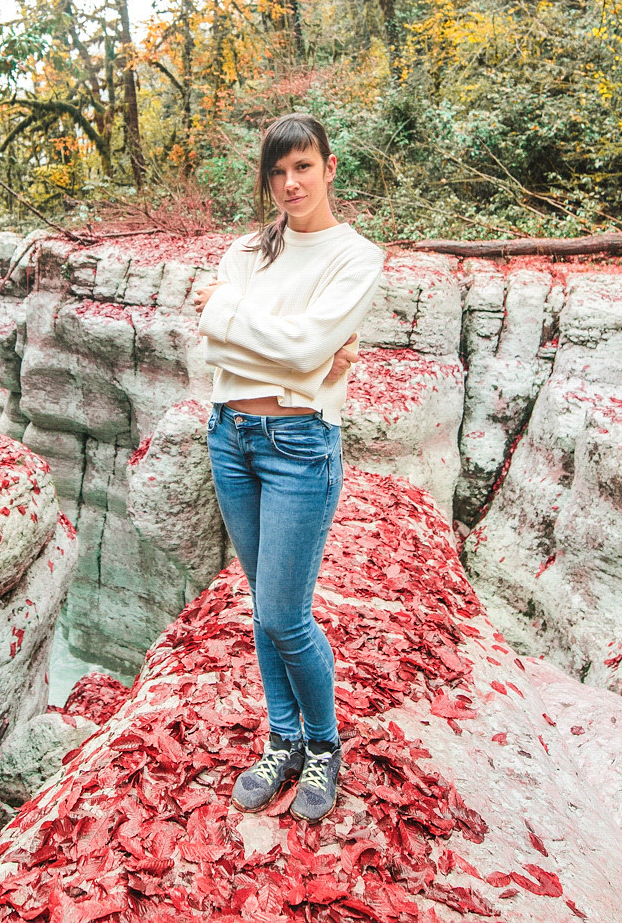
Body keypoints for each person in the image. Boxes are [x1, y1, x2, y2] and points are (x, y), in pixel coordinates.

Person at [192, 111, 385, 823]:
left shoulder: (356, 257)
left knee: (283, 612)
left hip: (300, 446)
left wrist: (241, 326)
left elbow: (304, 351)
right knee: (262, 607)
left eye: (302, 166)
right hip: (230, 435)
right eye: (277, 171)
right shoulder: (248, 250)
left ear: (329, 167)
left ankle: (324, 745)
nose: (289, 182)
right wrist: (296, 353)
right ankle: (283, 739)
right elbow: (228, 354)